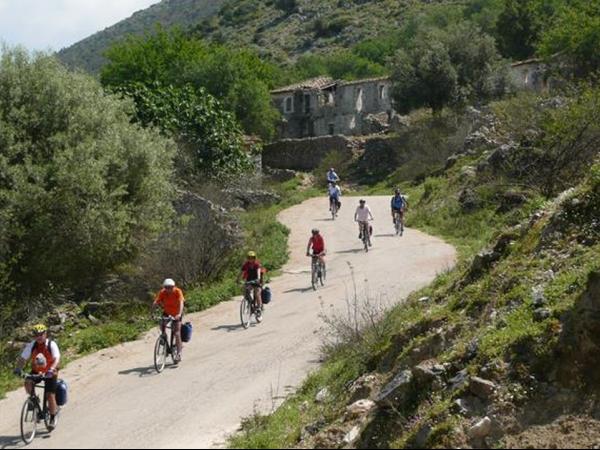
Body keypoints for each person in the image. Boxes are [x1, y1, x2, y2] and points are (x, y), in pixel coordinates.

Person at [14, 324, 61, 430]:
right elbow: (22, 359)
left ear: (45, 334)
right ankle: (34, 401)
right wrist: (18, 369)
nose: (39, 336)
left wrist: (52, 369)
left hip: (50, 372)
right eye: (37, 334)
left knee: (50, 395)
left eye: (41, 334)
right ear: (34, 336)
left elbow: (57, 358)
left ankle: (52, 417)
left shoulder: (51, 344)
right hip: (37, 371)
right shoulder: (32, 345)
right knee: (27, 381)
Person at [153, 278, 185, 362]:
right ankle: (165, 342)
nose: (168, 289)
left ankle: (179, 353)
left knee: (177, 333)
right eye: (166, 287)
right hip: (167, 312)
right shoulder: (163, 292)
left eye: (170, 287)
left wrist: (179, 314)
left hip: (177, 313)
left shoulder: (178, 291)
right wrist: (153, 310)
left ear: (173, 287)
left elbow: (181, 302)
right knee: (161, 325)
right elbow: (156, 301)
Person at [239, 251, 265, 318]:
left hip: (257, 280)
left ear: (254, 258)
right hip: (249, 280)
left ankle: (259, 307)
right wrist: (237, 279)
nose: (250, 259)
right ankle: (251, 303)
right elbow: (241, 272)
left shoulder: (257, 264)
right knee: (245, 291)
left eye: (252, 258)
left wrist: (258, 279)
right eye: (249, 258)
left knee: (257, 293)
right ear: (247, 258)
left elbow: (258, 272)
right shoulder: (246, 264)